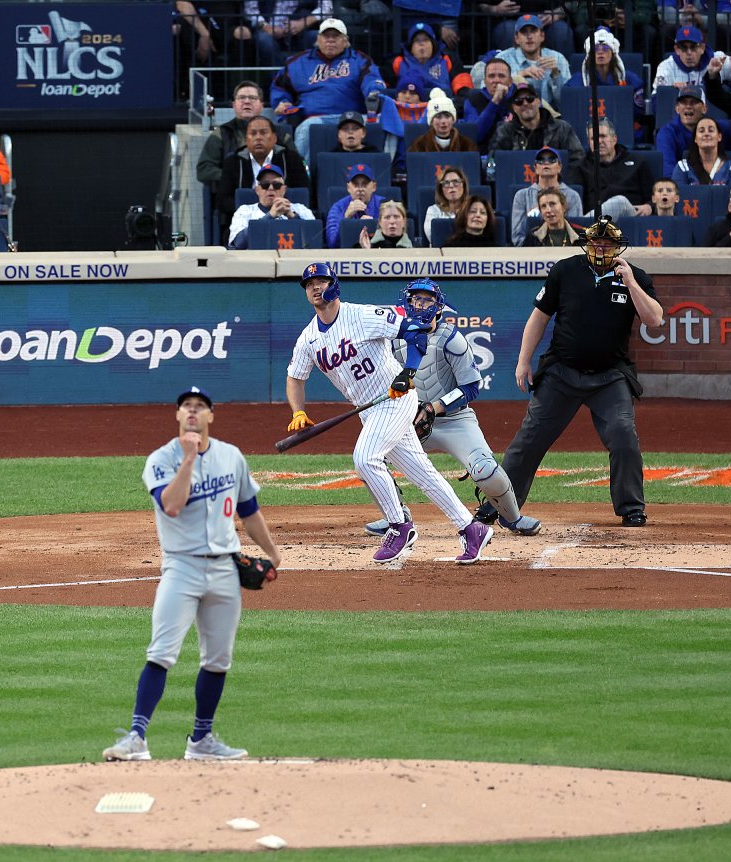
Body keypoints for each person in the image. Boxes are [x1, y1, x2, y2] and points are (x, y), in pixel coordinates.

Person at [102, 386, 281, 763]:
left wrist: (272, 553)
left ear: (211, 416)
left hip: (224, 570)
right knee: (161, 653)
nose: (194, 412)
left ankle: (201, 741)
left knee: (218, 660)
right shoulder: (161, 460)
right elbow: (171, 505)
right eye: (187, 407)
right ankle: (137, 737)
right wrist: (188, 459)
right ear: (178, 416)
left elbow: (249, 510)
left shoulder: (231, 457)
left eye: (201, 407)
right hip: (180, 567)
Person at [286, 262, 494, 564]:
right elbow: (295, 377)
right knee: (421, 473)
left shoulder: (362, 315)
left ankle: (399, 526)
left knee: (365, 458)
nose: (315, 287)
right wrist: (298, 412)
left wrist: (408, 372)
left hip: (396, 399)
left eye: (321, 280)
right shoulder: (309, 338)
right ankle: (471, 528)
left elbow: (415, 331)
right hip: (369, 410)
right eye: (309, 284)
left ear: (334, 284)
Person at [476, 216, 662, 529]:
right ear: (587, 243)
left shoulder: (635, 276)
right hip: (562, 371)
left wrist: (630, 282)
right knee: (529, 439)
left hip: (610, 375)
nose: (601, 247)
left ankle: (632, 508)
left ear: (618, 246)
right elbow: (539, 317)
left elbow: (654, 319)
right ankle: (497, 504)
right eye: (596, 242)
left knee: (622, 434)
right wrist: (524, 361)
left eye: (608, 243)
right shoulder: (566, 270)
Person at [364, 279, 541, 538]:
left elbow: (471, 387)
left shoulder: (451, 339)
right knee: (369, 459)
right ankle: (396, 518)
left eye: (427, 300)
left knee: (486, 470)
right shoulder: (393, 340)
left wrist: (434, 408)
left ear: (439, 307)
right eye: (415, 299)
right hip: (407, 421)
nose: (420, 304)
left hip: (454, 420)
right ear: (407, 302)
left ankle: (512, 517)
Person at [269, 18, 386, 165]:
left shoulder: (359, 59)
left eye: (335, 36)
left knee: (387, 123)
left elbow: (372, 80)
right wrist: (282, 101)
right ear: (318, 39)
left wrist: (373, 91)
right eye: (326, 36)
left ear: (346, 41)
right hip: (313, 119)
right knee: (308, 127)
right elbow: (280, 87)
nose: (330, 40)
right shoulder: (298, 62)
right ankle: (302, 176)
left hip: (353, 118)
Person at [195, 81, 295, 198]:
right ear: (234, 104)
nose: (247, 101)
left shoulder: (281, 136)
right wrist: (235, 176)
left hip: (276, 197)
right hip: (234, 198)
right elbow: (203, 170)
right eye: (241, 98)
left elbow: (297, 168)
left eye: (252, 98)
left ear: (262, 105)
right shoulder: (221, 135)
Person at [216, 115, 309, 239]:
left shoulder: (290, 158)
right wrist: (258, 209)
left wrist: (280, 207)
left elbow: (304, 193)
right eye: (253, 133)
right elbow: (223, 200)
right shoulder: (233, 161)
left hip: (285, 219)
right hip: (246, 221)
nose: (258, 137)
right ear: (246, 139)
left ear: (274, 138)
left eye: (263, 133)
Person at [565, 28, 646, 139]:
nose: (600, 52)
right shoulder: (577, 81)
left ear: (613, 53)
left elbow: (638, 112)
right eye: (595, 49)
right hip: (588, 132)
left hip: (620, 129)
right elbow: (572, 110)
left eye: (605, 48)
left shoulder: (630, 79)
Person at [569, 118, 654, 219]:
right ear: (589, 142)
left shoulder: (638, 161)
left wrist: (650, 206)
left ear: (614, 139)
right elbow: (576, 202)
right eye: (594, 138)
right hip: (595, 221)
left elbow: (653, 196)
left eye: (603, 136)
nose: (599, 141)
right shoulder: (580, 167)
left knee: (620, 202)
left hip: (631, 220)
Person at [488, 81, 585, 167]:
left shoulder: (562, 128)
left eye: (530, 98)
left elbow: (578, 160)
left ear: (538, 101)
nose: (525, 103)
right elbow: (492, 164)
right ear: (514, 107)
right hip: (517, 184)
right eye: (519, 101)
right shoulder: (505, 131)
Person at [654, 84, 731, 178]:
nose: (688, 106)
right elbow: (668, 172)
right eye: (684, 102)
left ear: (704, 108)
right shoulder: (667, 134)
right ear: (677, 109)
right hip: (683, 185)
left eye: (694, 102)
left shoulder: (721, 129)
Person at [226, 163, 316, 249]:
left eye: (276, 185)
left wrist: (293, 217)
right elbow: (238, 244)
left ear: (284, 189)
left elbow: (314, 241)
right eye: (265, 185)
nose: (271, 188)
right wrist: (270, 216)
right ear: (257, 190)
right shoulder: (245, 211)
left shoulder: (301, 209)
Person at [495, 14, 572, 110]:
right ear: (516, 39)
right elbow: (487, 90)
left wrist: (555, 74)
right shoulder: (503, 59)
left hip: (547, 118)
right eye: (524, 32)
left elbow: (566, 102)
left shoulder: (557, 58)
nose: (529, 36)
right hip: (511, 116)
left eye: (533, 31)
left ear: (542, 36)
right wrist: (519, 75)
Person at [511, 146, 583, 246]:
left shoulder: (573, 196)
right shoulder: (521, 196)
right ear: (535, 168)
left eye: (552, 160)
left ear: (559, 167)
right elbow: (517, 236)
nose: (546, 163)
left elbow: (576, 231)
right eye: (541, 160)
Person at [386, 21, 470, 97]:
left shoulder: (449, 60)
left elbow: (463, 85)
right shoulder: (398, 62)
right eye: (416, 41)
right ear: (410, 47)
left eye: (426, 40)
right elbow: (379, 83)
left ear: (433, 44)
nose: (422, 44)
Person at [234, 1, 328, 66]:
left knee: (322, 38)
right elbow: (250, 10)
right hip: (267, 31)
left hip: (301, 33)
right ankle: (283, 82)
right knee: (263, 40)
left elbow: (327, 7)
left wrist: (304, 22)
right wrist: (266, 27)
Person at [652, 25, 731, 93]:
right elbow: (657, 101)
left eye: (693, 47)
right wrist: (672, 91)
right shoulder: (667, 67)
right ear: (677, 49)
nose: (689, 52)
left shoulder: (718, 60)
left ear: (702, 48)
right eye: (683, 48)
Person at [670, 116, 731, 187]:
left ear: (719, 137)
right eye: (701, 131)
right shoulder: (683, 167)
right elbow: (678, 197)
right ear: (695, 139)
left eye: (711, 130)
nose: (706, 134)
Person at [462, 55, 518, 150]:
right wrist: (494, 102)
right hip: (484, 154)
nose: (496, 80)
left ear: (510, 81)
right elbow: (475, 135)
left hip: (515, 152)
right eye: (491, 76)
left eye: (501, 76)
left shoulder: (521, 97)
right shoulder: (473, 99)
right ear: (485, 81)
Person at [326, 163, 385, 247]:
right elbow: (332, 244)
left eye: (365, 184)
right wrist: (346, 218)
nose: (360, 189)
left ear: (374, 187)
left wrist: (374, 225)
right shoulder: (338, 208)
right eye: (356, 184)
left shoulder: (384, 205)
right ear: (348, 188)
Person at [407, 91, 476, 154]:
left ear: (453, 119)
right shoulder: (418, 146)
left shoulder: (467, 145)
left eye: (447, 116)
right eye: (438, 117)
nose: (443, 121)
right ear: (431, 121)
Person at [423, 165, 470, 244]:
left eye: (456, 182)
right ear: (441, 190)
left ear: (464, 186)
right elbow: (434, 238)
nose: (451, 186)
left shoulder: (472, 210)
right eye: (446, 183)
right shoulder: (433, 211)